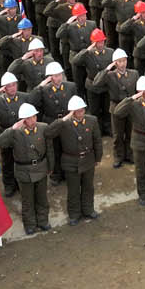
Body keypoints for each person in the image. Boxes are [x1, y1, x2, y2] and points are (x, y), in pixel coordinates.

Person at [43, 96, 103, 224]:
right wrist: (63, 119)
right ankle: (74, 214)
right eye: (77, 111)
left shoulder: (92, 121)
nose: (81, 113)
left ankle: (88, 210)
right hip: (71, 161)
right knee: (73, 190)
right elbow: (48, 133)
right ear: (72, 112)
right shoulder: (64, 124)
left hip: (88, 159)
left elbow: (97, 140)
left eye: (82, 110)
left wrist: (98, 157)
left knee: (88, 187)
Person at [0, 102, 52, 233]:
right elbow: (0, 143)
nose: (32, 120)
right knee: (27, 201)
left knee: (42, 198)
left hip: (41, 167)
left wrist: (51, 166)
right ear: (22, 120)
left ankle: (43, 221)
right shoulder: (15, 133)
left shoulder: (43, 128)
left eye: (34, 117)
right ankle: (30, 225)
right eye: (28, 118)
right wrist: (12, 129)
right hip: (24, 171)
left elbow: (49, 149)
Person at [113, 76, 145, 205]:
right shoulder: (133, 104)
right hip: (140, 142)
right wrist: (131, 98)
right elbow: (117, 112)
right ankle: (143, 194)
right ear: (140, 92)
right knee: (141, 170)